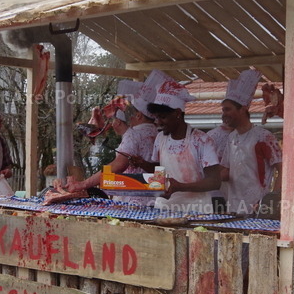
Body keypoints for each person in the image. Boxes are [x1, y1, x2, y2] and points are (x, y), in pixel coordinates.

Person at [135, 76, 221, 215]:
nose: (158, 122)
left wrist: (180, 187)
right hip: (164, 207)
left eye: (162, 117)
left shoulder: (201, 140)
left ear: (177, 113)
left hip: (195, 210)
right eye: (156, 117)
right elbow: (160, 170)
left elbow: (214, 182)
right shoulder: (160, 139)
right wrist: (143, 164)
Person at [62, 83, 158, 205]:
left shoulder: (133, 134)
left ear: (138, 115)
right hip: (155, 198)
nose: (130, 118)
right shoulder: (158, 133)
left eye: (132, 114)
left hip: (133, 201)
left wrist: (84, 183)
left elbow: (118, 165)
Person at [219, 69, 282, 216]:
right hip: (233, 208)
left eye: (228, 110)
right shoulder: (231, 137)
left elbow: (283, 170)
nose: (224, 115)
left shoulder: (263, 137)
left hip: (257, 209)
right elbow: (226, 171)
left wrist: (270, 201)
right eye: (223, 110)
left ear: (243, 109)